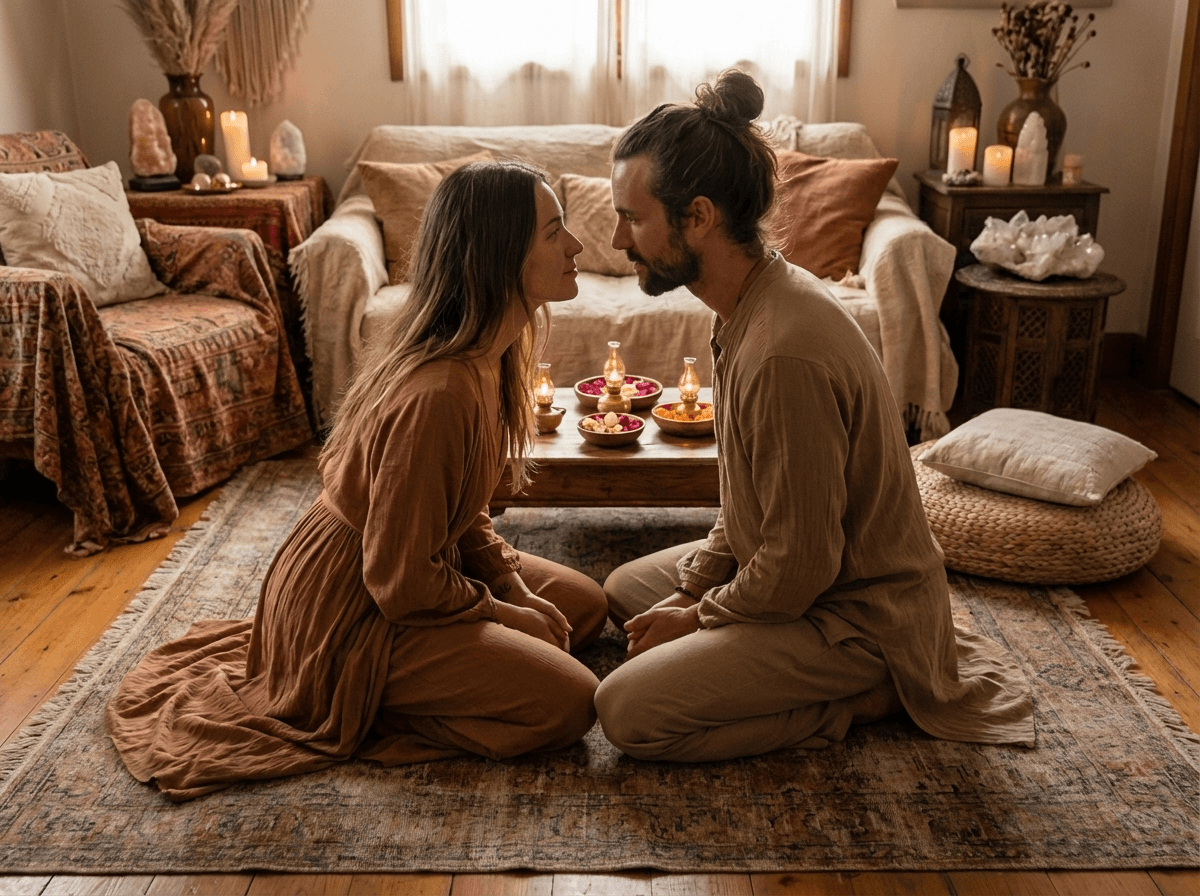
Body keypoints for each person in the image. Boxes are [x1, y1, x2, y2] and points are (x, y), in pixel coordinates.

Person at [107, 160, 609, 801]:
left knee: (582, 608)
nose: (576, 247)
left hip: (405, 563)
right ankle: (363, 702)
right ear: (500, 256)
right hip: (357, 608)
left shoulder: (495, 351)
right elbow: (400, 583)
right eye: (553, 232)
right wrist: (504, 612)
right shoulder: (441, 391)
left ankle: (459, 667)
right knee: (568, 705)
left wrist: (511, 584)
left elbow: (465, 508)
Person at [594, 70, 1035, 762]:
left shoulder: (781, 353)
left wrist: (698, 618)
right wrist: (689, 593)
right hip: (806, 575)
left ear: (700, 217)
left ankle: (865, 695)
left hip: (855, 612)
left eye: (632, 216)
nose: (618, 239)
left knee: (627, 712)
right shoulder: (747, 301)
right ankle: (741, 648)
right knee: (628, 591)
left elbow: (799, 566)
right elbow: (748, 510)